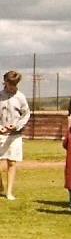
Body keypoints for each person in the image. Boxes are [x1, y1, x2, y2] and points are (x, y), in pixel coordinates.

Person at [0, 71, 30, 200]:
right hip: (0, 134)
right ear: (5, 82)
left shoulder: (20, 97)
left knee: (12, 162)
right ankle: (0, 184)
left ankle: (9, 192)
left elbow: (26, 114)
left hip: (15, 135)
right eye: (9, 84)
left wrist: (16, 126)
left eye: (14, 84)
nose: (11, 87)